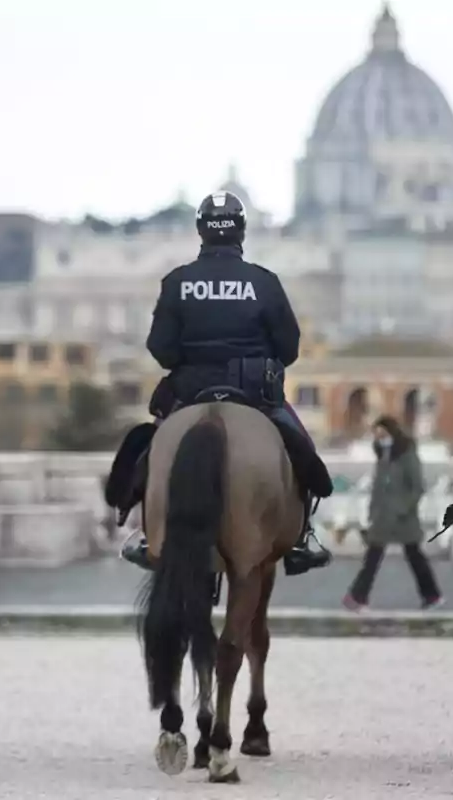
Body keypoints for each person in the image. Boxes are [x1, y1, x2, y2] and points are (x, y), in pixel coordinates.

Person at [116, 190, 332, 576]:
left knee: (148, 453)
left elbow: (160, 348)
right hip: (253, 393)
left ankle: (145, 534)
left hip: (189, 391)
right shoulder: (264, 283)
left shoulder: (176, 281)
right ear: (241, 232)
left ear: (201, 231)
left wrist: (191, 361)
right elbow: (290, 347)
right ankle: (304, 538)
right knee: (302, 452)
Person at [343, 416, 444, 611]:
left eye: (382, 434)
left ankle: (431, 596)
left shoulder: (407, 454)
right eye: (377, 434)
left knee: (415, 557)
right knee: (372, 558)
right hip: (382, 518)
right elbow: (377, 487)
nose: (379, 438)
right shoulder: (382, 454)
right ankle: (357, 597)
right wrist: (372, 512)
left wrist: (401, 508)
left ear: (391, 433)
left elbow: (417, 487)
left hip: (402, 518)